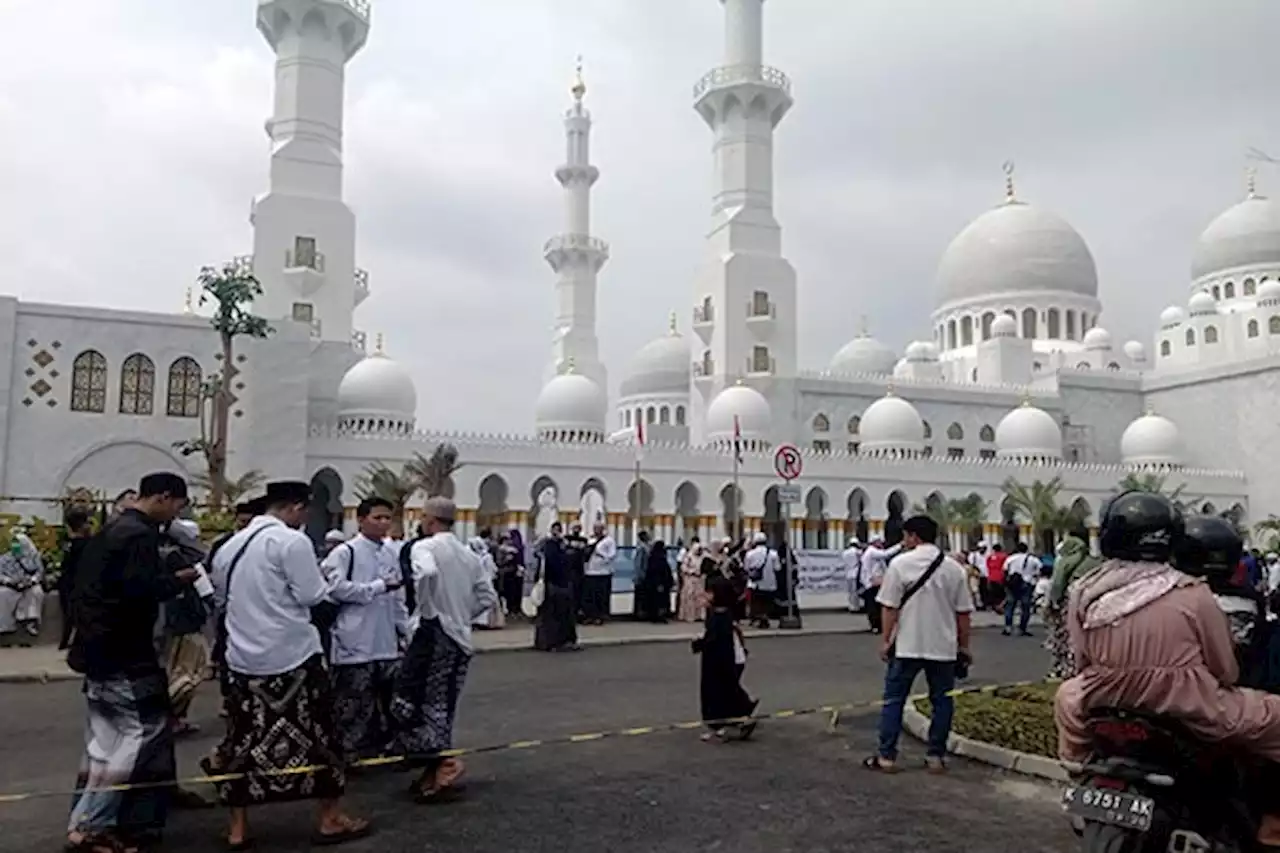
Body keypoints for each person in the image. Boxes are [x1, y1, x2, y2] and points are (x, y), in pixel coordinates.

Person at [1054, 492, 1280, 847]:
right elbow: (1225, 670)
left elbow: (1081, 660)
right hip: (1187, 706)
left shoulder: (1085, 590)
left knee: (1068, 697)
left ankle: (1077, 765)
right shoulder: (1192, 592)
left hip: (1104, 696)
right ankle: (1272, 824)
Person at [206, 480, 380, 849]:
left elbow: (220, 599)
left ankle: (237, 829)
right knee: (320, 736)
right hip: (293, 657)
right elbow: (312, 595)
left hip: (242, 659)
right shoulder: (291, 541)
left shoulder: (229, 546)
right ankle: (330, 819)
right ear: (296, 508)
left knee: (242, 739)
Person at [65, 472, 195, 853]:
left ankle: (83, 820)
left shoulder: (110, 530)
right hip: (125, 652)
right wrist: (178, 579)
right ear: (165, 498)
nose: (175, 514)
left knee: (102, 742)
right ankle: (93, 825)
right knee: (137, 735)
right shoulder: (139, 536)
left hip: (95, 650)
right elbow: (139, 592)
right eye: (177, 506)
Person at [393, 496, 498, 803]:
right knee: (442, 703)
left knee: (413, 700)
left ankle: (442, 769)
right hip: (459, 637)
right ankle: (434, 770)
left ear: (430, 519)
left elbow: (425, 574)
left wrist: (427, 612)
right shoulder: (467, 555)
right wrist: (463, 614)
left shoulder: (425, 547)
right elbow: (487, 595)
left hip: (433, 634)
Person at [866, 515, 973, 774]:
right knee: (942, 702)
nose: (904, 541)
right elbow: (963, 613)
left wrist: (885, 640)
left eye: (906, 536)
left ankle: (887, 756)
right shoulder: (953, 569)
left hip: (907, 644)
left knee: (894, 700)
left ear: (913, 536)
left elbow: (889, 608)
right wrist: (964, 646)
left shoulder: (900, 565)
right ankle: (936, 756)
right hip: (943, 646)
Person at [326, 497, 411, 765]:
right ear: (361, 520)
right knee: (352, 703)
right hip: (354, 641)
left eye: (388, 518)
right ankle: (347, 754)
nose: (384, 523)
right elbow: (334, 589)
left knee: (387, 702)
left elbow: (397, 598)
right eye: (377, 518)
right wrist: (375, 587)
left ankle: (379, 748)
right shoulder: (345, 553)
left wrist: (404, 631)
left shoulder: (389, 553)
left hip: (385, 641)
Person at [159, 518, 215, 737]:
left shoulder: (160, 553)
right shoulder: (179, 558)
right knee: (190, 673)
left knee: (176, 672)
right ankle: (162, 716)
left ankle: (173, 719)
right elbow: (204, 590)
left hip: (172, 624)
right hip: (185, 623)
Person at [692, 574, 758, 743]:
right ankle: (741, 718)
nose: (705, 596)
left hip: (720, 662)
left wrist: (699, 644)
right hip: (730, 660)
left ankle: (721, 727)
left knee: (717, 694)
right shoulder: (724, 614)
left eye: (708, 593)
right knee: (728, 691)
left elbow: (714, 641)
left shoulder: (718, 616)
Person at [1044, 527, 1100, 679]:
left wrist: (1052, 604)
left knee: (1065, 638)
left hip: (1071, 604)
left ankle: (1064, 670)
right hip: (1094, 606)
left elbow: (1057, 585)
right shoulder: (1094, 561)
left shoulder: (1065, 562)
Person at [532, 522, 579, 651]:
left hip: (559, 584)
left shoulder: (560, 546)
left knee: (559, 615)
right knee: (553, 616)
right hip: (553, 585)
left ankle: (557, 641)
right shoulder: (550, 546)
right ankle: (551, 642)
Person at [58, 508, 94, 650]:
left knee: (69, 615)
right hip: (82, 583)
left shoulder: (72, 545)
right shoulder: (90, 543)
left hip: (70, 583)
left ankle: (66, 641)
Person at [0, 527, 46, 640]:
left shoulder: (34, 557)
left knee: (36, 592)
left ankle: (31, 622)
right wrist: (9, 581)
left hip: (29, 585)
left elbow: (40, 572)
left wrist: (32, 581)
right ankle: (6, 627)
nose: (16, 546)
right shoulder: (4, 558)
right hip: (11, 586)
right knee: (2, 594)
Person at [859, 539, 901, 635]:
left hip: (875, 582)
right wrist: (900, 545)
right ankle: (876, 625)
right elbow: (886, 554)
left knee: (876, 605)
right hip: (872, 583)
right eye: (879, 542)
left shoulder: (872, 553)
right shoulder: (872, 551)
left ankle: (878, 625)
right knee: (874, 606)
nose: (881, 544)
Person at [1001, 542, 1040, 637]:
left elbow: (1005, 570)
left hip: (1013, 585)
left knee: (1010, 605)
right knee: (1025, 607)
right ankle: (1022, 628)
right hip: (1027, 583)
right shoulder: (1033, 559)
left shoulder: (1010, 558)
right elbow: (1040, 568)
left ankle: (1008, 627)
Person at [469, 533, 505, 629]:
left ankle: (487, 622)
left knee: (487, 600)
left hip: (484, 581)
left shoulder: (484, 557)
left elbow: (491, 570)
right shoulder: (478, 557)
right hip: (481, 580)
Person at [583, 522, 617, 624]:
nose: (596, 530)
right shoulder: (590, 539)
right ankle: (589, 615)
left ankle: (600, 616)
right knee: (589, 596)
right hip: (590, 571)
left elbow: (612, 555)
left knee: (600, 596)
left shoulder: (609, 541)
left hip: (603, 572)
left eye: (599, 528)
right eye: (595, 528)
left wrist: (600, 554)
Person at [744, 533, 778, 629]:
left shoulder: (750, 554)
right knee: (767, 603)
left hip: (755, 584)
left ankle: (758, 618)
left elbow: (746, 568)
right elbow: (777, 568)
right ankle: (765, 617)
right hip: (770, 583)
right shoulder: (773, 554)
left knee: (756, 603)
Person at [639, 540, 673, 623]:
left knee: (654, 600)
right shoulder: (660, 558)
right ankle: (659, 616)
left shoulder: (652, 557)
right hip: (660, 583)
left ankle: (654, 615)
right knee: (660, 600)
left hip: (653, 583)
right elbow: (662, 571)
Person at [494, 531, 524, 619]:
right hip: (505, 575)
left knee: (512, 593)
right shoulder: (501, 550)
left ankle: (512, 610)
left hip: (511, 574)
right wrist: (507, 559)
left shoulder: (513, 549)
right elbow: (499, 562)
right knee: (505, 593)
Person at [565, 523, 590, 620]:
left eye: (578, 528)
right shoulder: (567, 538)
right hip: (568, 569)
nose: (576, 529)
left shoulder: (583, 540)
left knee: (578, 592)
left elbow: (585, 554)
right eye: (575, 528)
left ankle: (577, 612)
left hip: (579, 569)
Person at [676, 542, 706, 622]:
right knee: (689, 598)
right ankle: (689, 616)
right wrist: (691, 571)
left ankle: (699, 615)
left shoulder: (702, 557)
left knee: (700, 598)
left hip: (700, 580)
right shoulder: (689, 556)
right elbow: (683, 567)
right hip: (690, 579)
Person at [630, 530, 651, 621]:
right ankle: (639, 613)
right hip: (642, 575)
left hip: (642, 574)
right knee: (640, 595)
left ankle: (641, 612)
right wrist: (640, 575)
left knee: (641, 595)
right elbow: (639, 563)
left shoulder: (644, 547)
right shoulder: (642, 548)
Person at [843, 537, 864, 613]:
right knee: (855, 592)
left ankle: (851, 606)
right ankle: (856, 607)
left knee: (850, 592)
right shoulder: (857, 552)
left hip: (848, 574)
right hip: (855, 573)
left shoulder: (845, 552)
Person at [984, 543, 1007, 610]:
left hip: (991, 576)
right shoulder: (1004, 556)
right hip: (1001, 577)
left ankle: (994, 605)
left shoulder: (990, 557)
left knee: (993, 593)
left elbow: (987, 566)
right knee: (1001, 593)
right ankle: (1000, 606)